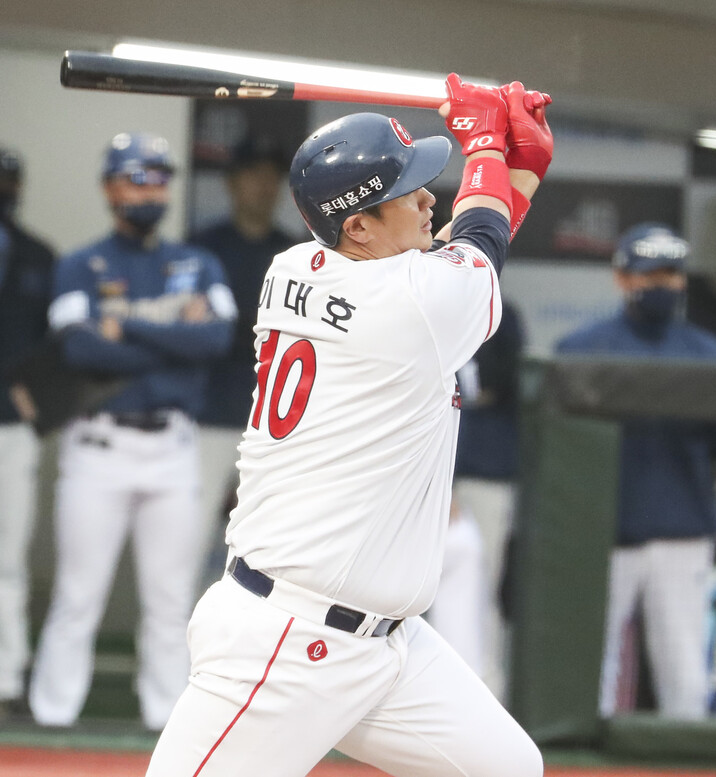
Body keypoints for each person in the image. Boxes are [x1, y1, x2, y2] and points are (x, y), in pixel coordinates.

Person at [145, 74, 553, 777]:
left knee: (507, 766)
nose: (431, 197)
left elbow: (470, 250)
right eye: (409, 190)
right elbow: (474, 253)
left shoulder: (301, 266)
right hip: (287, 638)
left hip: (389, 650)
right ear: (357, 226)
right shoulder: (404, 302)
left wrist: (516, 167)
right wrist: (487, 148)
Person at [27, 132, 237, 731]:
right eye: (137, 177)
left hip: (172, 450)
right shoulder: (80, 263)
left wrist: (124, 327)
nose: (151, 189)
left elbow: (217, 341)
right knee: (77, 598)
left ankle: (165, 727)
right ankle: (50, 722)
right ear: (110, 186)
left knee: (171, 604)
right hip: (98, 446)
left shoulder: (198, 262)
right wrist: (174, 338)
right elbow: (76, 351)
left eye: (160, 177)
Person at [555, 223, 716, 719]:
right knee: (590, 671)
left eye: (670, 273)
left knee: (684, 673)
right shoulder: (581, 350)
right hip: (600, 530)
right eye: (649, 272)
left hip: (682, 528)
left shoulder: (708, 353)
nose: (661, 283)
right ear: (622, 278)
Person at [191, 137, 296, 587]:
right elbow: (197, 336)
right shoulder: (201, 249)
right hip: (208, 414)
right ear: (233, 183)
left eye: (272, 177)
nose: (264, 186)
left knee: (276, 551)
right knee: (188, 546)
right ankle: (178, 657)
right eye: (253, 175)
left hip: (276, 423)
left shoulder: (297, 254)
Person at [426, 302, 525, 701]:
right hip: (424, 478)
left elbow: (505, 380)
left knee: (478, 588)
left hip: (482, 470)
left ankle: (483, 700)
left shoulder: (500, 313)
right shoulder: (412, 305)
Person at [0, 148, 56, 716]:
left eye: (8, 180)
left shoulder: (39, 256)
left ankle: (6, 679)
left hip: (11, 429)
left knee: (7, 559)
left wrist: (39, 408)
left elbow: (57, 346)